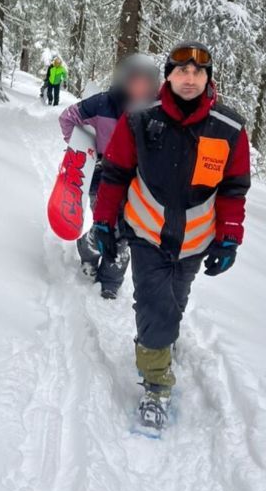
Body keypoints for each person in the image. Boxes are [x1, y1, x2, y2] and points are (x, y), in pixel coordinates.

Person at [92, 42, 251, 432]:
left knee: (176, 301)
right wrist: (103, 222)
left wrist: (229, 237)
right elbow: (115, 174)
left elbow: (234, 189)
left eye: (199, 72)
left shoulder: (229, 128)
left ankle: (161, 341)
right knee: (155, 306)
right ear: (169, 75)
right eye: (182, 71)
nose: (190, 78)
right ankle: (156, 386)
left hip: (195, 242)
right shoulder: (140, 119)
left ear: (208, 79)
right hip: (146, 233)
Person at [59, 54, 160, 299]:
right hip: (102, 174)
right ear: (125, 80)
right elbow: (68, 117)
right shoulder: (103, 103)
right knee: (105, 224)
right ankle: (89, 253)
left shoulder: (156, 110)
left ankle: (111, 281)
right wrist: (82, 148)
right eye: (136, 81)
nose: (141, 87)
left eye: (147, 82)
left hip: (136, 181)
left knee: (126, 231)